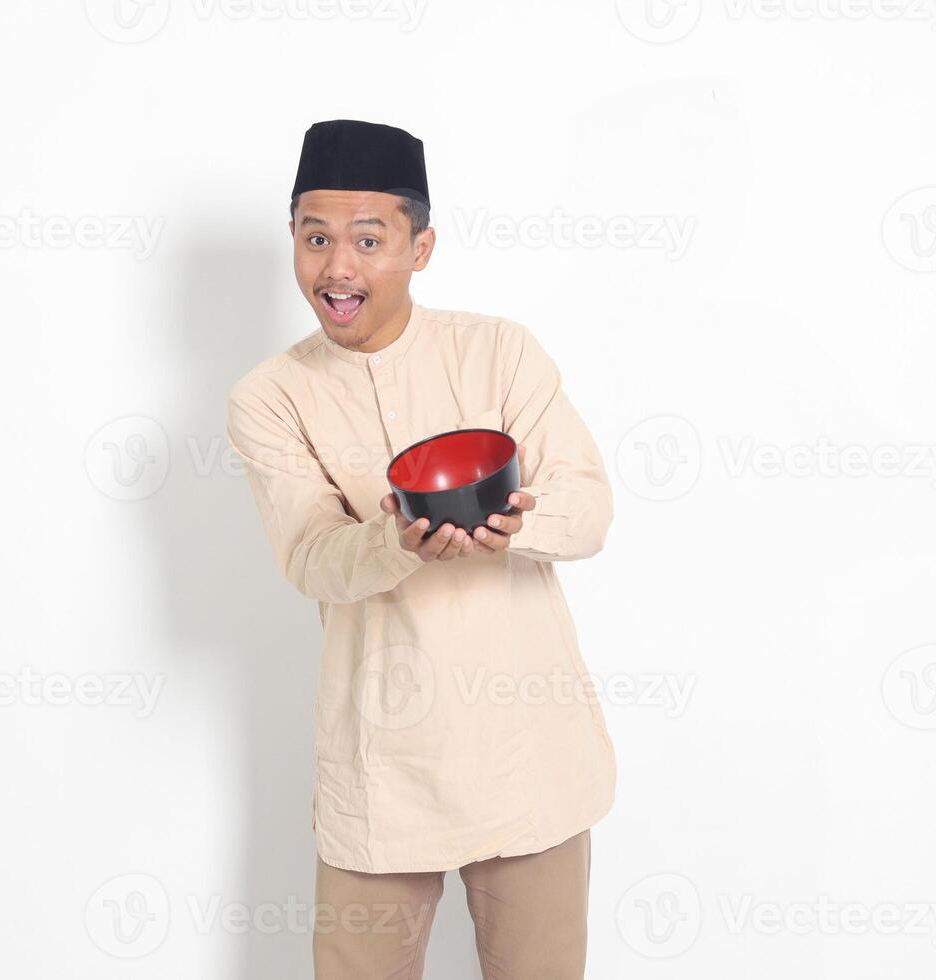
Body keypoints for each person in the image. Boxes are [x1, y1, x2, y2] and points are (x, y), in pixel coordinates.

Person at [225, 118, 617, 980]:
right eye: (315, 237)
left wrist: (517, 520)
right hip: (380, 771)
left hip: (527, 757)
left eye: (369, 239)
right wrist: (392, 540)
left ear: (421, 246)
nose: (338, 267)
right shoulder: (270, 397)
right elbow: (309, 557)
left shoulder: (499, 351)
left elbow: (588, 508)